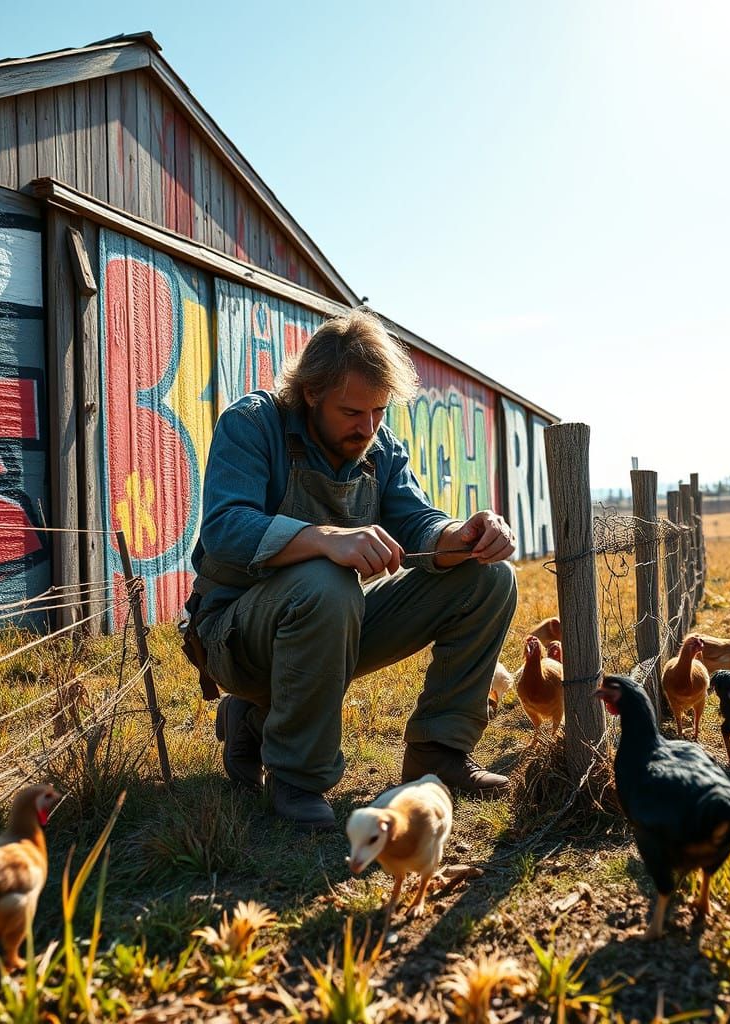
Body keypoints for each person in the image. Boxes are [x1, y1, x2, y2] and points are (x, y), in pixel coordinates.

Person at [186, 308, 518, 830]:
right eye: (352, 413)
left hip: (332, 624)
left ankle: (438, 754)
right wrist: (323, 539)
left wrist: (461, 536)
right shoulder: (253, 425)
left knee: (489, 578)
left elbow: (418, 521)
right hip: (234, 634)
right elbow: (223, 529)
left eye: (380, 413)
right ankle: (296, 775)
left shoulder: (378, 446)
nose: (368, 428)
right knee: (326, 581)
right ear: (312, 393)